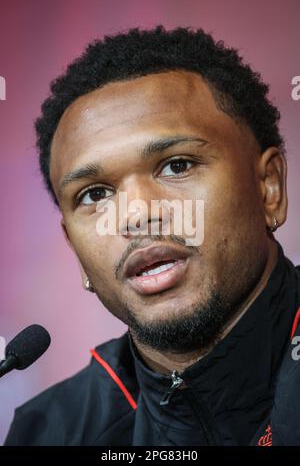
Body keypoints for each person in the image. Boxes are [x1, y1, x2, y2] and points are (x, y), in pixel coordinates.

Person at [4, 26, 300, 446]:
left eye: (177, 166)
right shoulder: (46, 432)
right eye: (95, 194)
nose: (136, 214)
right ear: (75, 249)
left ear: (268, 187)